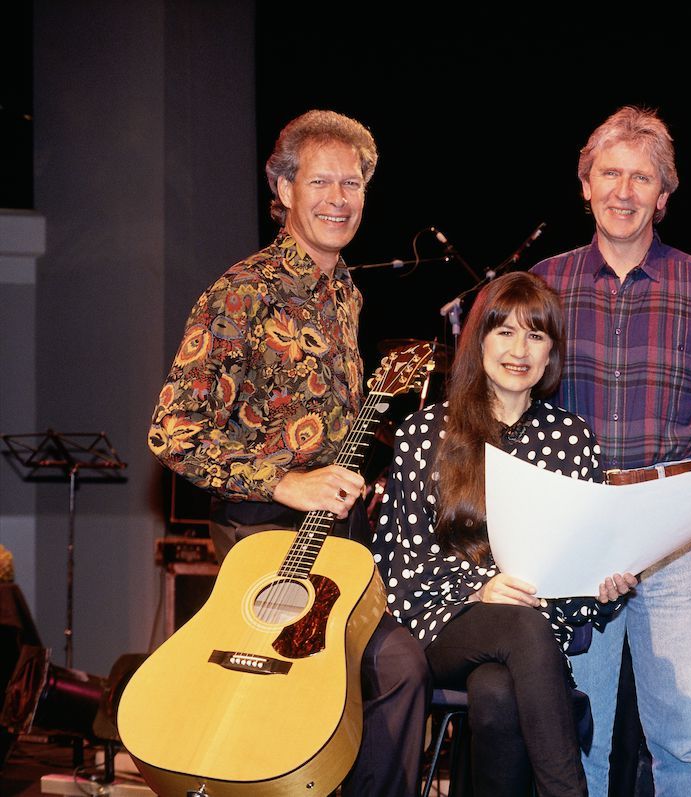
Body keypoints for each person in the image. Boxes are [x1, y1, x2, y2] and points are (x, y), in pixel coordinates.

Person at [148, 109, 430, 795]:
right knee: (290, 697)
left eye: (353, 183)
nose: (340, 198)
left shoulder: (347, 294)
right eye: (322, 182)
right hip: (258, 537)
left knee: (398, 667)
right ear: (281, 189)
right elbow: (171, 431)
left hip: (340, 541)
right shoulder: (239, 295)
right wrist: (287, 481)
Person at [532, 106, 691, 797]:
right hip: (577, 529)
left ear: (664, 194)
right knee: (574, 734)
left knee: (682, 739)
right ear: (585, 184)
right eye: (611, 173)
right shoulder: (543, 286)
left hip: (677, 531)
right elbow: (505, 411)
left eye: (642, 177)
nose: (625, 191)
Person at [372, 271, 636, 797]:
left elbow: (583, 558)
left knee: (496, 693)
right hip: (444, 622)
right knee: (519, 628)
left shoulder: (571, 438)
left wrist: (603, 586)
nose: (521, 350)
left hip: (535, 632)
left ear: (551, 353)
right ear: (480, 341)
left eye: (536, 336)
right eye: (506, 332)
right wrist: (479, 589)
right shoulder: (426, 432)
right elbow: (397, 561)